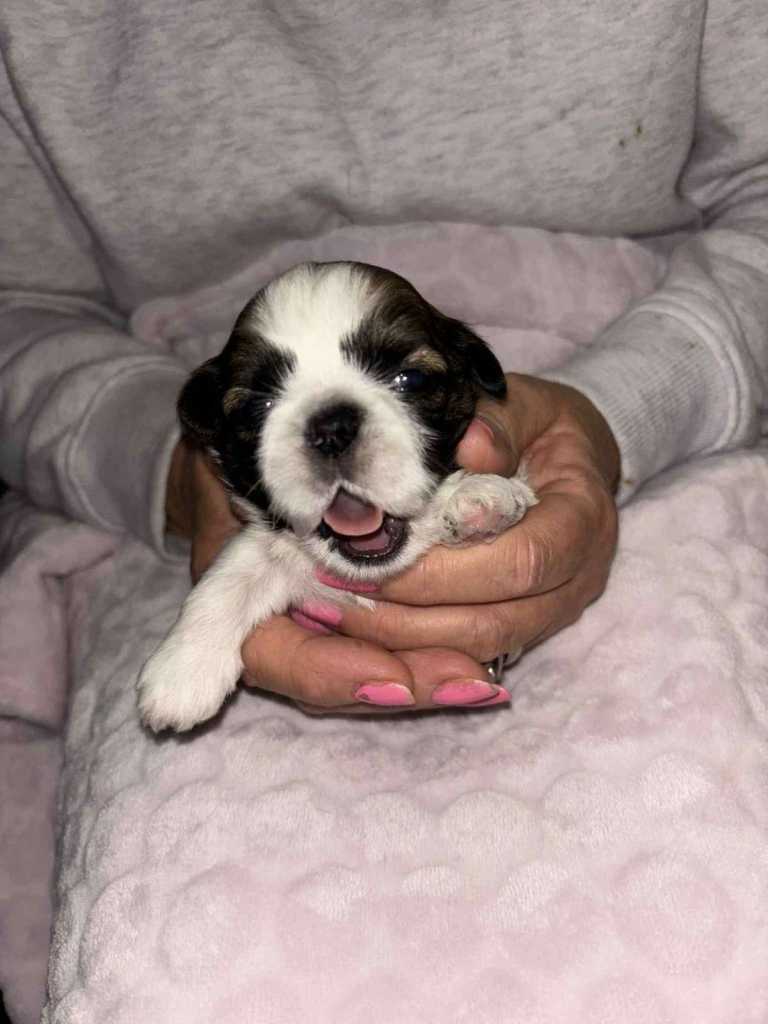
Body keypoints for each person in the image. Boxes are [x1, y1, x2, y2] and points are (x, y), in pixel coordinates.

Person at [1, 0, 766, 715]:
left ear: (473, 376)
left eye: (403, 377)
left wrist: (622, 408)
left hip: (677, 403)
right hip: (143, 505)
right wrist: (169, 468)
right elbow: (21, 305)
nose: (331, 429)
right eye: (261, 404)